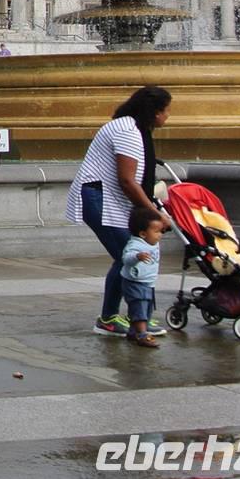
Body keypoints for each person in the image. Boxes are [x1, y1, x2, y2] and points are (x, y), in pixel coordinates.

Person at [65, 85, 174, 338]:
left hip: (108, 199)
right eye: (167, 111)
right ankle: (121, 320)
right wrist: (155, 215)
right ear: (155, 112)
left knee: (127, 255)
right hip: (99, 199)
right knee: (130, 256)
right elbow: (127, 181)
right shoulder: (128, 131)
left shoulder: (130, 126)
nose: (168, 116)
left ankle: (125, 317)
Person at [123, 208, 165, 348]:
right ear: (142, 233)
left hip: (147, 282)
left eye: (160, 231)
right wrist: (137, 257)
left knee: (146, 309)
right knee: (139, 306)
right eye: (157, 232)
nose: (160, 235)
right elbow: (126, 258)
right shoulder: (136, 244)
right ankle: (142, 334)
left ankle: (133, 331)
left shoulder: (152, 242)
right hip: (135, 282)